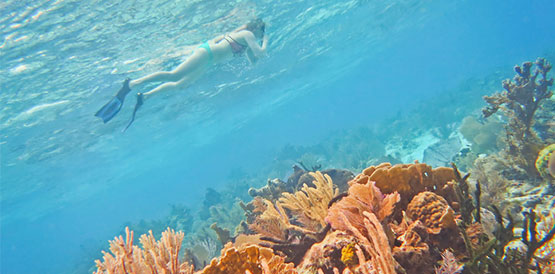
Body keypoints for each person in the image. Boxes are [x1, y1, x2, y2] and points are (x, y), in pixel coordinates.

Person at [95, 18, 268, 131]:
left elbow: (255, 61)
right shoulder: (247, 34)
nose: (261, 36)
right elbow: (261, 53)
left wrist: (256, 50)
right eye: (262, 32)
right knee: (174, 75)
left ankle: (145, 96)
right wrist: (266, 41)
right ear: (257, 29)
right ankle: (131, 84)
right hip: (205, 54)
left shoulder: (246, 42)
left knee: (181, 85)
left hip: (208, 61)